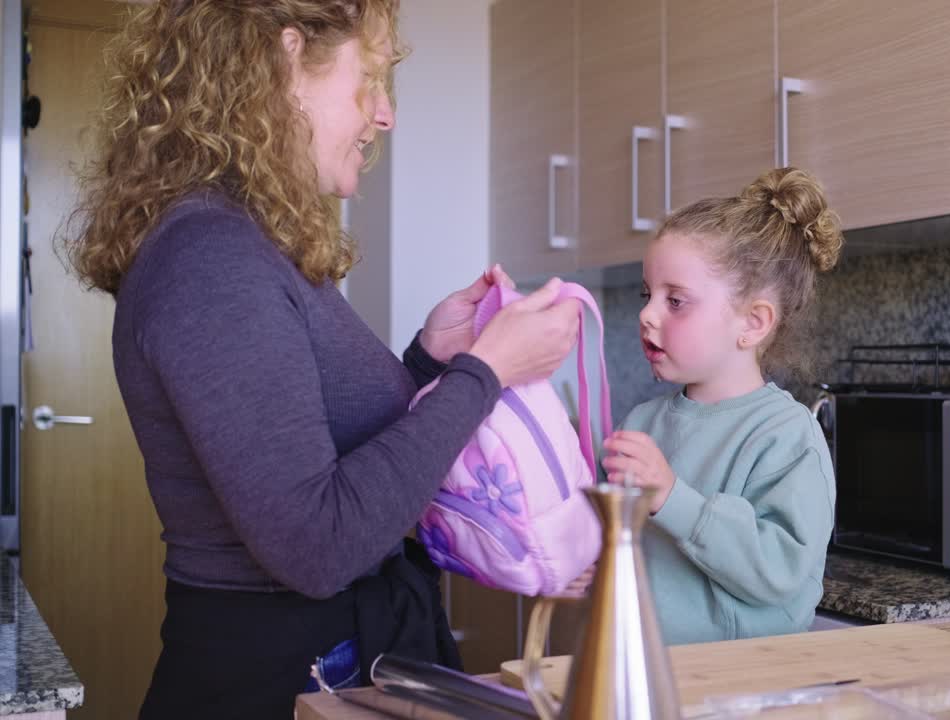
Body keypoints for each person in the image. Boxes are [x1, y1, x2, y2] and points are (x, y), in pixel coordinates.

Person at [61, 1, 580, 717]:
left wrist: (431, 361)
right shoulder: (212, 260)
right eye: (369, 77)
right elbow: (317, 544)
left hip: (329, 661)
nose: (386, 114)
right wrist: (484, 373)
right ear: (284, 60)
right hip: (281, 680)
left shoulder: (244, 242)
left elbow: (317, 440)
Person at [600, 167, 841, 645]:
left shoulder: (787, 435)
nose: (647, 314)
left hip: (740, 686)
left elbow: (779, 571)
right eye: (648, 295)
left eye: (676, 301)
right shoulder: (642, 424)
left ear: (752, 323)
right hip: (646, 670)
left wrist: (673, 497)